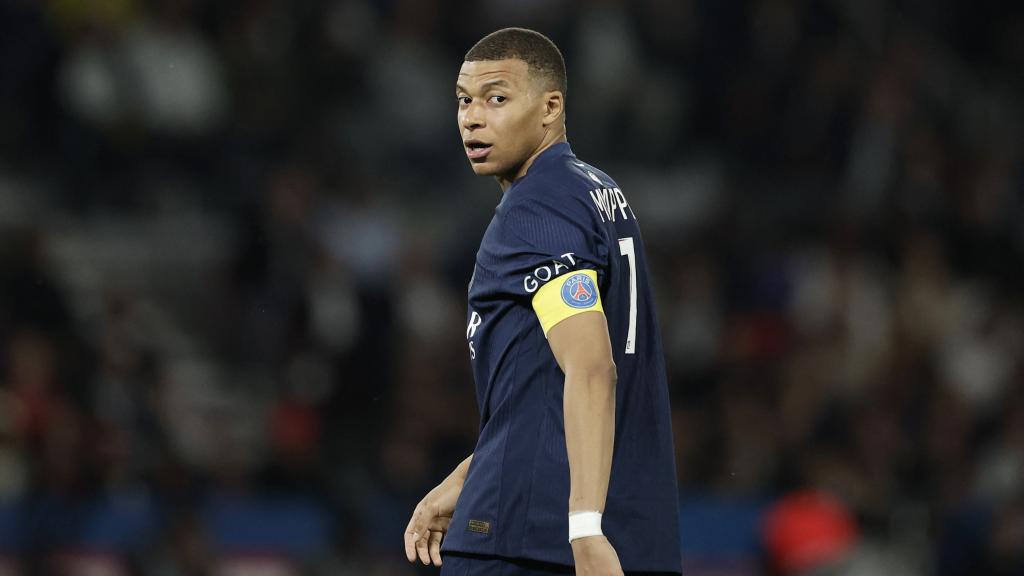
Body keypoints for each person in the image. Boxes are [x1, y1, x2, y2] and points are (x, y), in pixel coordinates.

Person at [403, 27, 682, 576]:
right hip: (632, 527)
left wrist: (583, 527)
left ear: (550, 107)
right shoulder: (599, 191)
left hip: (530, 539)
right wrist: (469, 477)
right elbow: (546, 388)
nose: (472, 117)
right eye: (464, 100)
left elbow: (591, 366)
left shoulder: (537, 211)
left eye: (497, 98)